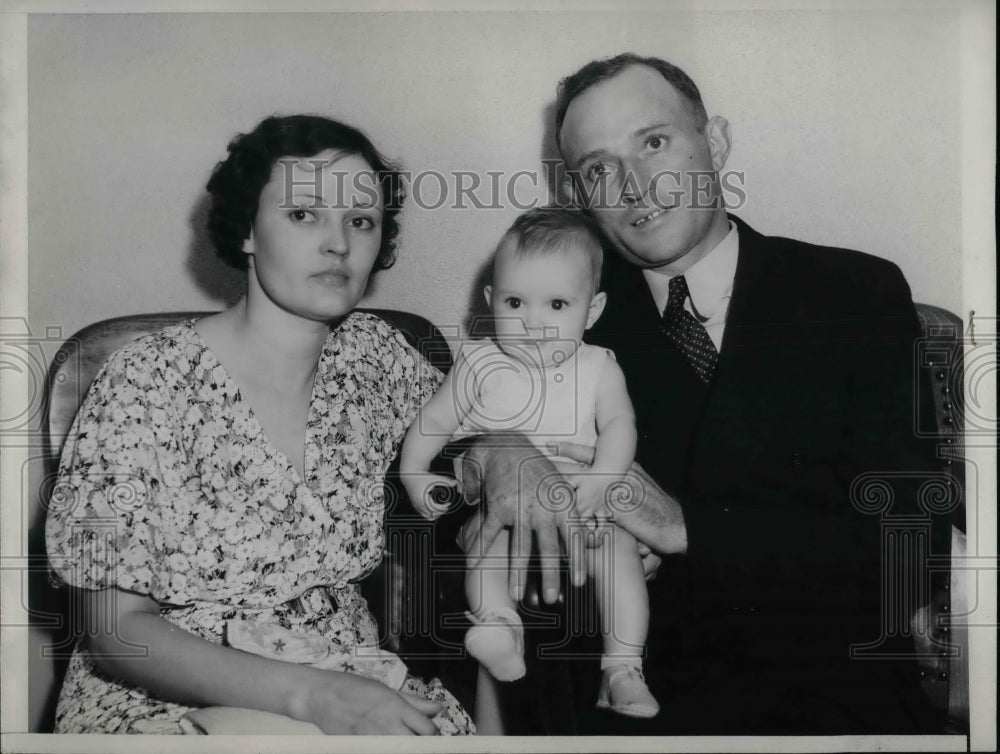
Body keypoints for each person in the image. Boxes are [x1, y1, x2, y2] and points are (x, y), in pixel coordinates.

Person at [458, 53, 946, 734]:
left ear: (715, 141)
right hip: (649, 709)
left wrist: (685, 526)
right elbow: (452, 455)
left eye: (653, 143)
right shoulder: (559, 319)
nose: (632, 186)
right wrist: (494, 447)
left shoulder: (854, 293)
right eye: (599, 169)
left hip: (840, 697)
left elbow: (910, 546)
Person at [44, 115, 474, 735]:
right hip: (166, 693)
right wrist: (314, 698)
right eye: (304, 215)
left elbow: (476, 433)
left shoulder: (376, 357)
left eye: (361, 220)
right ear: (247, 229)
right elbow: (115, 631)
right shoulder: (144, 380)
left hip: (352, 676)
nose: (338, 243)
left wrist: (512, 455)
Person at [400, 207, 658, 718]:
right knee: (486, 547)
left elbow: (620, 426)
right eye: (516, 302)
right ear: (491, 300)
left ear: (593, 308)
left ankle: (623, 666)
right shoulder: (477, 361)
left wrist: (604, 480)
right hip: (505, 506)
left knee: (622, 554)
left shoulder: (599, 366)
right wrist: (414, 473)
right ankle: (496, 626)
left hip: (583, 503)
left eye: (558, 304)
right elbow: (434, 420)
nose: (534, 321)